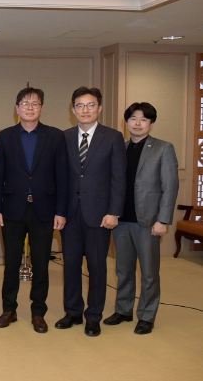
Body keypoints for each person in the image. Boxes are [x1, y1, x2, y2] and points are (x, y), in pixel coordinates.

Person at [0, 87, 67, 333]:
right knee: (11, 262)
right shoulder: (5, 137)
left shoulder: (55, 136)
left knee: (41, 264)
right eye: (25, 103)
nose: (30, 107)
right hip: (12, 209)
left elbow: (62, 177)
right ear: (17, 108)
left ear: (41, 108)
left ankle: (38, 312)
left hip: (44, 210)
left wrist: (61, 211)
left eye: (35, 103)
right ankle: (9, 309)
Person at [55, 87, 126, 337]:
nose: (85, 110)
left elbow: (119, 178)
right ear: (73, 110)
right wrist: (59, 211)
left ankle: (93, 316)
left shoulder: (113, 137)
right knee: (71, 265)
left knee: (97, 267)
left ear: (100, 108)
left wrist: (114, 211)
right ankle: (73, 312)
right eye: (80, 106)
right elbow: (60, 178)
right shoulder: (64, 137)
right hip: (70, 214)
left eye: (90, 105)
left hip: (100, 214)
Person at [103, 102, 178, 335]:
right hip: (121, 220)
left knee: (149, 272)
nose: (137, 123)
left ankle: (146, 315)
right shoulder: (120, 148)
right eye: (133, 118)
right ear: (126, 122)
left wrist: (163, 220)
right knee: (123, 270)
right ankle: (123, 310)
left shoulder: (163, 148)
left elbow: (170, 187)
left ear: (151, 123)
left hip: (148, 221)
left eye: (143, 119)